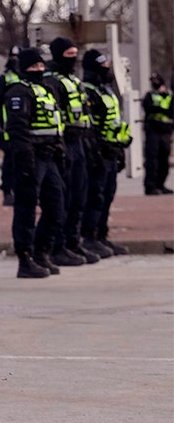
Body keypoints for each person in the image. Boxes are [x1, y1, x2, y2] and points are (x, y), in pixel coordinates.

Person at [2, 47, 65, 279]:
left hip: (50, 157)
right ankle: (25, 258)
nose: (39, 69)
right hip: (31, 158)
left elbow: (56, 126)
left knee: (57, 207)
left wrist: (61, 154)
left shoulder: (47, 90)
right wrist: (25, 160)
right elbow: (18, 130)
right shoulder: (18, 92)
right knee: (26, 208)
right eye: (34, 66)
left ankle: (42, 252)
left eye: (41, 65)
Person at [43, 37, 97, 266]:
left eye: (75, 54)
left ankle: (73, 242)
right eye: (68, 54)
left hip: (81, 141)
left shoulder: (75, 80)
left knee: (79, 196)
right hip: (65, 142)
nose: (73, 59)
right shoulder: (52, 81)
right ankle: (58, 246)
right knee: (63, 197)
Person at [81, 49, 132, 256]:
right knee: (95, 197)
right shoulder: (88, 91)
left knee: (107, 196)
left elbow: (115, 121)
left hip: (112, 152)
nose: (106, 70)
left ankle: (101, 236)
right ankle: (89, 237)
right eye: (101, 67)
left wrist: (122, 145)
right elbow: (91, 126)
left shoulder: (107, 91)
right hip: (98, 153)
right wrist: (96, 151)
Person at [0, 46, 21, 206]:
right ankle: (7, 191)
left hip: (25, 130)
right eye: (13, 56)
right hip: (7, 129)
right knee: (9, 163)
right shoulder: (5, 79)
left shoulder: (27, 76)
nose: (15, 60)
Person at [141, 73, 173, 195]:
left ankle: (161, 184)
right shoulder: (150, 95)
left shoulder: (169, 96)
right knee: (151, 160)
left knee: (164, 161)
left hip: (165, 132)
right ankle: (150, 186)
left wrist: (159, 109)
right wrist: (162, 110)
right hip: (153, 131)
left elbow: (171, 111)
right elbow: (148, 108)